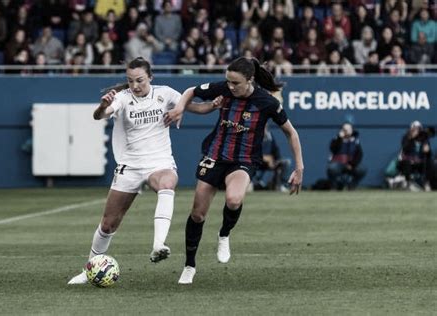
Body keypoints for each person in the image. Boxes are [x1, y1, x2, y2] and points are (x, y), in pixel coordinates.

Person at [67, 57, 220, 285]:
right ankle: (89, 268)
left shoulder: (165, 93)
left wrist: (214, 105)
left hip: (159, 162)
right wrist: (102, 105)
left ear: (150, 77)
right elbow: (100, 115)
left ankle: (158, 244)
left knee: (168, 183)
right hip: (130, 164)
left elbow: (195, 107)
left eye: (139, 80)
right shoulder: (122, 98)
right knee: (109, 223)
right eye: (130, 81)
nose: (135, 85)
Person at [164, 57, 304, 285]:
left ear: (249, 80)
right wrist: (180, 108)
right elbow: (191, 90)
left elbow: (291, 133)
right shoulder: (223, 88)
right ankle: (189, 265)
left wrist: (299, 167)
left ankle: (224, 234)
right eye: (228, 81)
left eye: (235, 83)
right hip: (215, 156)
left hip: (244, 159)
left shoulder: (267, 102)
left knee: (234, 199)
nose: (229, 86)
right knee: (198, 213)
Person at [327, 123, 366, 190]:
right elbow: (333, 150)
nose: (347, 131)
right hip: (338, 163)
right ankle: (335, 186)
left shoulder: (355, 141)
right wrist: (340, 138)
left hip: (351, 164)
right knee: (332, 168)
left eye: (348, 129)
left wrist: (352, 164)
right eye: (345, 129)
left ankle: (352, 185)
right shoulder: (336, 139)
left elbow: (359, 155)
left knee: (362, 169)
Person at [396, 120, 433, 191]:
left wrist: (428, 151)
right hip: (407, 161)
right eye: (414, 129)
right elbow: (405, 149)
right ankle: (408, 183)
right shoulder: (406, 137)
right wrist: (411, 138)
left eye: (418, 129)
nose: (416, 130)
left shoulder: (424, 139)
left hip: (419, 162)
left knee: (429, 162)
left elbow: (428, 155)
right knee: (406, 163)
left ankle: (426, 183)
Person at [252, 123, 290, 191]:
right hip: (257, 162)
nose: (264, 128)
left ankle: (281, 185)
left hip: (270, 161)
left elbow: (275, 149)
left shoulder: (270, 135)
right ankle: (258, 183)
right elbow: (252, 152)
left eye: (265, 126)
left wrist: (277, 160)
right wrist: (264, 158)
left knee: (286, 162)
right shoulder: (254, 137)